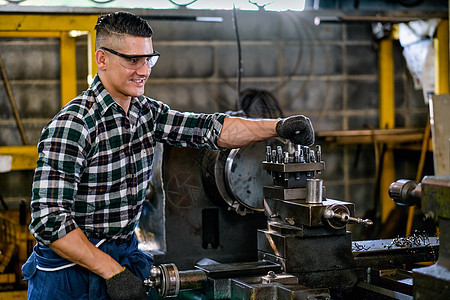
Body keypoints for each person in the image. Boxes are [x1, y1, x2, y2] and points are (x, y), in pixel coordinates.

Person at [22, 11, 314, 300]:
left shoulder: (146, 113)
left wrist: (278, 127)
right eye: (132, 60)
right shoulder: (75, 125)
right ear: (102, 59)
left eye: (148, 58)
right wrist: (112, 271)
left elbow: (210, 130)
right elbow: (49, 220)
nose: (144, 70)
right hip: (69, 273)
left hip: (122, 254)